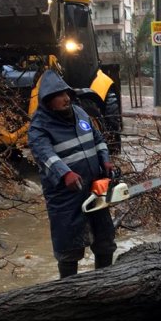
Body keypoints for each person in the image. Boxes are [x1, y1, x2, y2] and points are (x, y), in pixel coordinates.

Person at [27, 69, 117, 278]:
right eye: (60, 96)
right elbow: (45, 155)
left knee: (105, 242)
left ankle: (105, 283)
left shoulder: (80, 113)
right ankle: (69, 292)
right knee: (69, 250)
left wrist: (105, 159)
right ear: (48, 100)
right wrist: (65, 173)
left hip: (95, 190)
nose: (66, 99)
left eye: (66, 93)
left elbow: (98, 139)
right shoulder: (39, 126)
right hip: (65, 197)